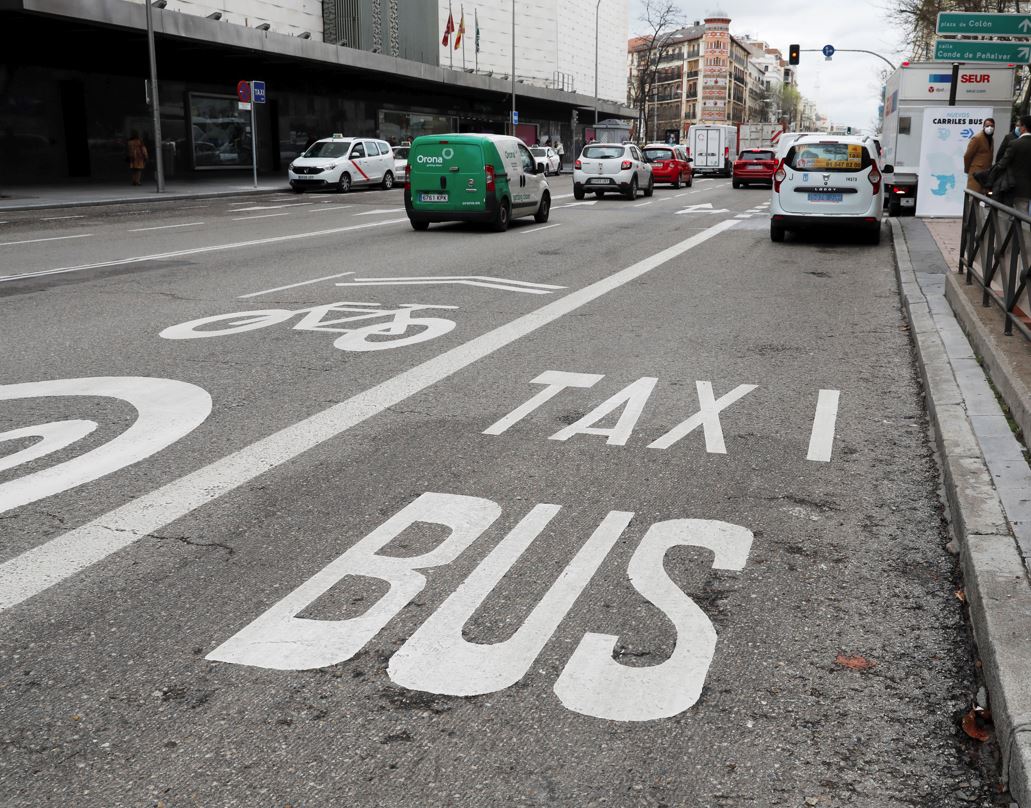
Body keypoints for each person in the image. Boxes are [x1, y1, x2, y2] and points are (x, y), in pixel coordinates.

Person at [992, 115, 1031, 213]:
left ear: (1023, 127)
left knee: (1004, 215)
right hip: (1027, 189)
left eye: (1019, 125)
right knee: (1023, 215)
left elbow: (1002, 164)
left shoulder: (1014, 144)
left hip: (1010, 186)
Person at [963, 117, 994, 194]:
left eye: (992, 126)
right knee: (973, 197)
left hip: (985, 174)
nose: (989, 128)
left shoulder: (991, 139)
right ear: (983, 126)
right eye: (987, 126)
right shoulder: (977, 138)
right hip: (975, 173)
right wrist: (968, 170)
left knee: (982, 198)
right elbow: (967, 156)